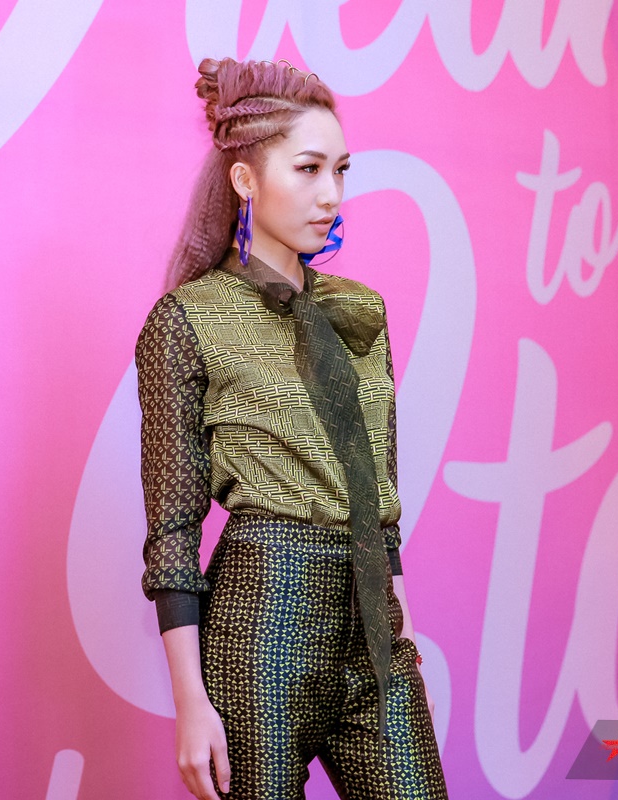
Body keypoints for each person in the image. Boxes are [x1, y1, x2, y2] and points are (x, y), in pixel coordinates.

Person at [136, 57, 448, 800]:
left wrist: (398, 626)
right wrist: (190, 703)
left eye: (340, 170)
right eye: (308, 169)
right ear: (245, 180)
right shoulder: (187, 319)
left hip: (373, 627)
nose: (331, 194)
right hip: (262, 626)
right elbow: (173, 531)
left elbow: (378, 491)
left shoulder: (361, 310)